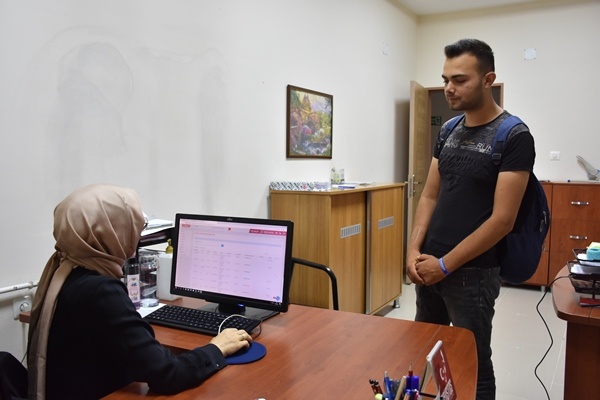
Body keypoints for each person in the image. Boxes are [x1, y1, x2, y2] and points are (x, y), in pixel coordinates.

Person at [27, 184, 253, 400]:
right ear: (112, 232)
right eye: (134, 226)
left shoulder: (65, 270)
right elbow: (166, 374)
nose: (137, 236)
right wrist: (216, 348)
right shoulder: (100, 290)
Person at [406, 39, 535, 400]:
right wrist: (414, 247)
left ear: (488, 79)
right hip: (428, 266)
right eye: (445, 79)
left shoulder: (514, 136)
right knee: (425, 348)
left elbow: (502, 221)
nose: (449, 88)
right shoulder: (448, 130)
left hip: (472, 275)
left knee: (473, 363)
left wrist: (445, 265)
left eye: (460, 79)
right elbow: (430, 194)